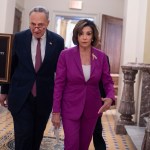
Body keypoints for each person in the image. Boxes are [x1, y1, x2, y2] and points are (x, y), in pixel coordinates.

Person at [0, 6, 64, 150]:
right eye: (32, 24)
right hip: (21, 95)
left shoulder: (58, 41)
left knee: (37, 136)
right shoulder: (18, 38)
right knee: (23, 135)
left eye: (40, 25)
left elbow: (60, 72)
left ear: (47, 23)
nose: (36, 29)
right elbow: (9, 66)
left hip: (44, 96)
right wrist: (4, 91)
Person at [51, 19, 115, 150]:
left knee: (84, 145)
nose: (84, 37)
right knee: (71, 144)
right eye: (81, 33)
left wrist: (110, 97)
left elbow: (107, 81)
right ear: (77, 36)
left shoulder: (101, 57)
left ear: (93, 36)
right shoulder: (65, 55)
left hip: (92, 108)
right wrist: (56, 111)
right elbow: (59, 85)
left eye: (88, 33)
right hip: (70, 107)